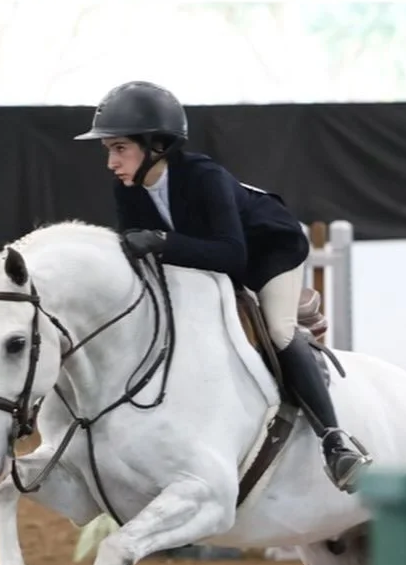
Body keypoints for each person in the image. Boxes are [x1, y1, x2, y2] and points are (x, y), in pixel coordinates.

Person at [74, 80, 372, 493]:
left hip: (269, 252)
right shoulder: (128, 189)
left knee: (278, 330)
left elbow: (232, 256)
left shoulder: (204, 177)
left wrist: (162, 242)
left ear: (156, 146)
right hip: (207, 261)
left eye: (119, 148)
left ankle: (336, 441)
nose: (111, 162)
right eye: (108, 150)